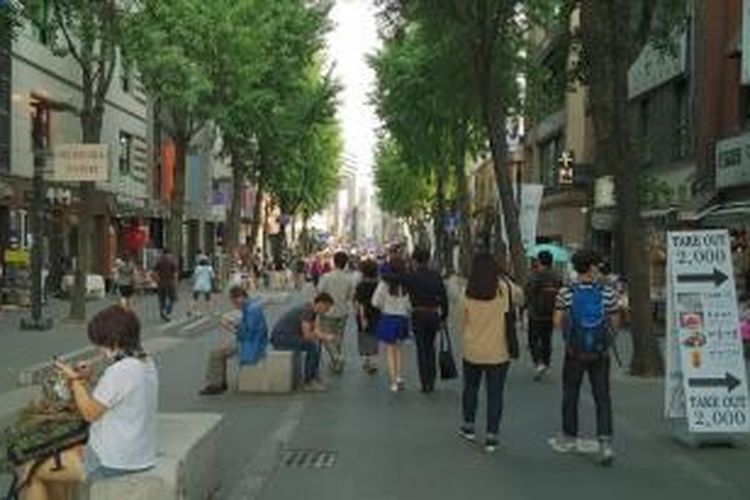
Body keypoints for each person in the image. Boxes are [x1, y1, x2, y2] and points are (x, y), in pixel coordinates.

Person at [21, 306, 158, 499]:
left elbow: (89, 412)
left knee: (30, 471)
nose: (99, 349)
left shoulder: (121, 371)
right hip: (136, 451)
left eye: (101, 343)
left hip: (113, 460)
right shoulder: (144, 361)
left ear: (114, 340)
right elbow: (120, 395)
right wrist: (90, 378)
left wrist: (74, 379)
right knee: (55, 463)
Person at [549, 250, 620, 466]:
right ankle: (605, 443)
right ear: (590, 267)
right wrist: (607, 338)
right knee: (602, 396)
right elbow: (615, 318)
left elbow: (557, 320)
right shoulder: (607, 292)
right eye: (596, 265)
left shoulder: (566, 292)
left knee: (571, 392)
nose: (598, 268)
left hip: (575, 352)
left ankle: (570, 436)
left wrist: (570, 335)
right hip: (600, 352)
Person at [459, 253, 524, 453]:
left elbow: (460, 322)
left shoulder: (467, 292)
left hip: (472, 350)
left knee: (471, 387)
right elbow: (521, 298)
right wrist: (506, 278)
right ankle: (491, 436)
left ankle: (468, 426)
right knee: (495, 393)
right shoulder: (505, 289)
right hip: (499, 351)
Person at [199, 286, 268, 395]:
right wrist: (235, 325)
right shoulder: (251, 307)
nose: (235, 305)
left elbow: (247, 334)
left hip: (252, 344)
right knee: (220, 352)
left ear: (240, 298)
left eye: (234, 301)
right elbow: (249, 328)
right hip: (255, 341)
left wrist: (230, 327)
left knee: (216, 354)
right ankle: (219, 382)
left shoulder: (250, 310)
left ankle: (215, 384)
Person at [404, 247, 449, 394]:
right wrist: (444, 316)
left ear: (415, 260)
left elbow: (400, 284)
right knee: (431, 347)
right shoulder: (436, 276)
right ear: (428, 259)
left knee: (421, 348)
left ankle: (425, 382)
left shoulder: (411, 276)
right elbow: (444, 297)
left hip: (418, 314)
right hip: (433, 314)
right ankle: (432, 379)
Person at [271, 293, 336, 392]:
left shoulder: (311, 310)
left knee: (316, 345)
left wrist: (323, 336)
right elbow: (307, 335)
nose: (327, 311)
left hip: (286, 336)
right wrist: (325, 337)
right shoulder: (308, 311)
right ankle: (308, 381)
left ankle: (313, 376)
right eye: (326, 308)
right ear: (321, 304)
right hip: (282, 337)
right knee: (312, 347)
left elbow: (314, 330)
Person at [372, 257, 411, 393]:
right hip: (402, 319)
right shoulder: (406, 284)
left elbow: (375, 302)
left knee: (389, 351)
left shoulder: (384, 284)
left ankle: (393, 382)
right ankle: (399, 377)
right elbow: (409, 304)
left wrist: (384, 306)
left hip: (388, 317)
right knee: (399, 349)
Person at [524, 250, 563, 381]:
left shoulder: (535, 275)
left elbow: (528, 292)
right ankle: (546, 363)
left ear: (539, 261)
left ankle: (538, 363)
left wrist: (525, 307)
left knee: (533, 339)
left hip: (535, 313)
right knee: (547, 339)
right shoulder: (557, 276)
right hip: (550, 314)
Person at [317, 251, 354, 374]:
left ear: (334, 262)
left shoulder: (326, 277)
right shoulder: (349, 278)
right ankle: (336, 362)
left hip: (328, 311)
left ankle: (337, 358)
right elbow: (350, 295)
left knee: (326, 337)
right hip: (343, 310)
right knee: (338, 338)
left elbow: (319, 290)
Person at [354, 259, 381, 374]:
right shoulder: (378, 284)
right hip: (376, 313)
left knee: (364, 336)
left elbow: (358, 302)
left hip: (363, 313)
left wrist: (361, 316)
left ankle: (366, 360)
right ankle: (374, 361)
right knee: (375, 335)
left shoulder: (361, 285)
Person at [153, 249, 178, 321]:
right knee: (172, 298)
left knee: (161, 298)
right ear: (169, 253)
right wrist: (176, 282)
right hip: (170, 282)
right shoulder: (172, 261)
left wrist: (157, 279)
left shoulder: (159, 261)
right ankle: (167, 311)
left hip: (161, 282)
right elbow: (175, 273)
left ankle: (162, 311)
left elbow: (154, 271)